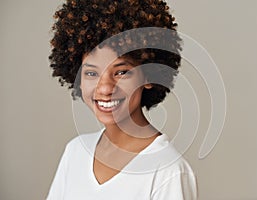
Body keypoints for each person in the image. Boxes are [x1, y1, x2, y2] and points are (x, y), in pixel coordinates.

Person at [47, 0, 197, 199]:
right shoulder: (75, 152)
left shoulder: (168, 172)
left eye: (121, 72)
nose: (105, 87)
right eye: (91, 73)